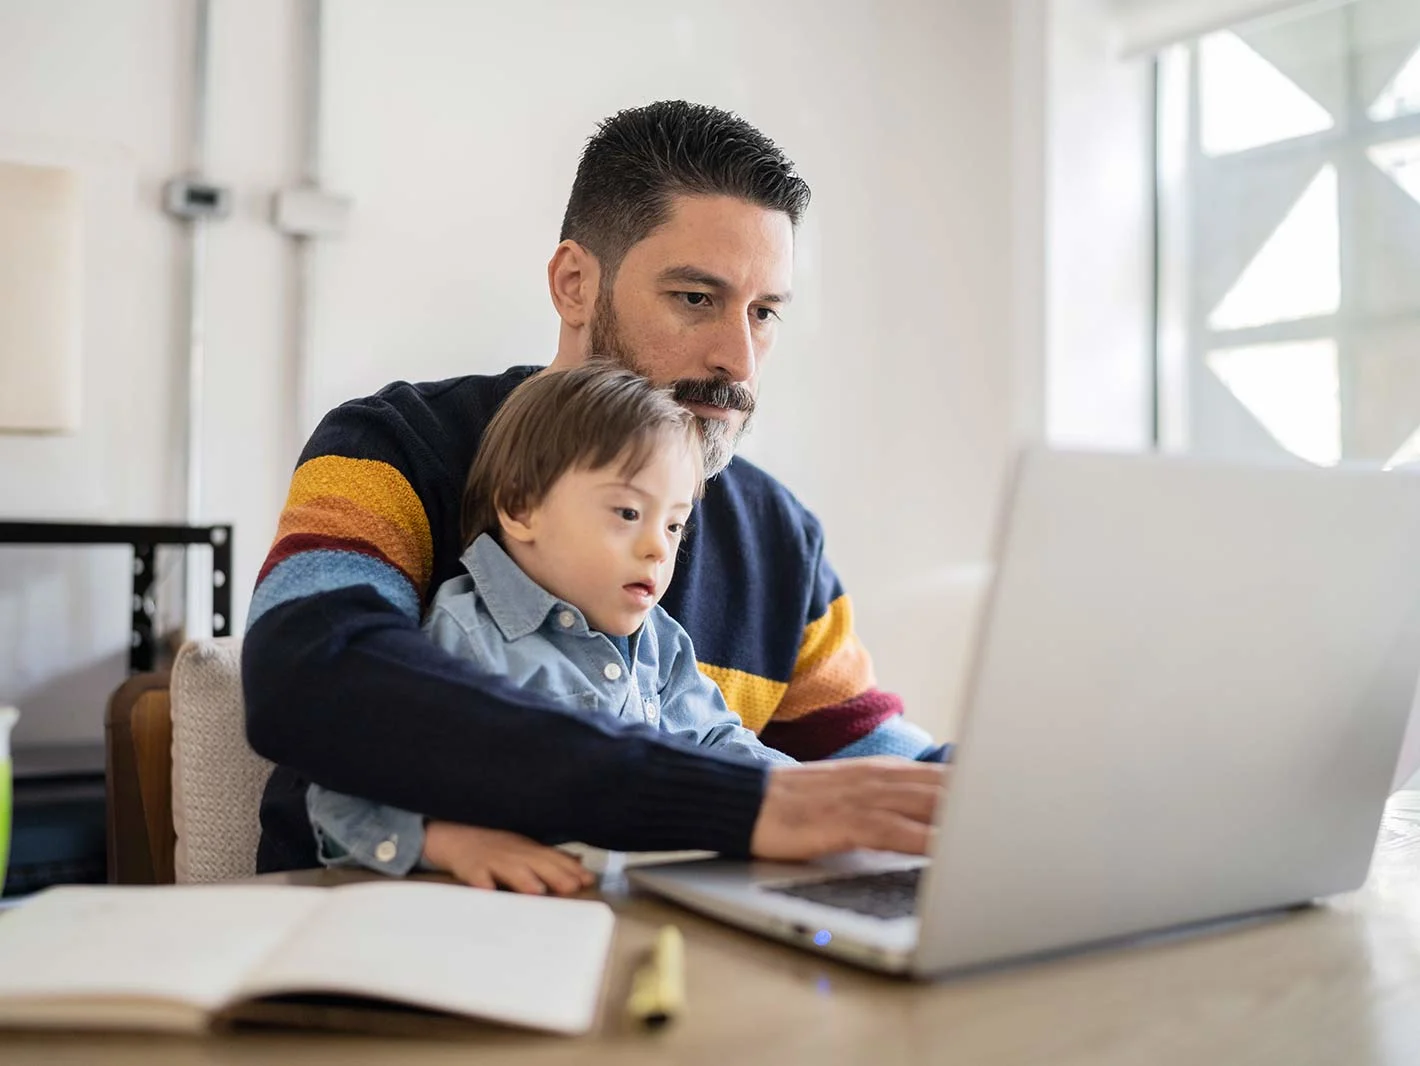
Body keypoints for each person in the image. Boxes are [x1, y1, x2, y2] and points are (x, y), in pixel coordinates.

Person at [244, 100, 946, 879]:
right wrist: (733, 803)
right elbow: (309, 677)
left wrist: (1015, 795)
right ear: (575, 283)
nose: (739, 360)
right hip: (375, 950)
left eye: (765, 312)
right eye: (695, 299)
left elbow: (882, 771)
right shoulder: (394, 447)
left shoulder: (780, 537)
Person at [308, 363, 796, 893]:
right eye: (629, 513)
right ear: (521, 508)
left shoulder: (659, 639)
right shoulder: (468, 636)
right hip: (496, 921)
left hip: (624, 902)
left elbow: (715, 739)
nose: (660, 547)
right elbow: (340, 790)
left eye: (674, 524)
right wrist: (447, 841)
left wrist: (805, 792)